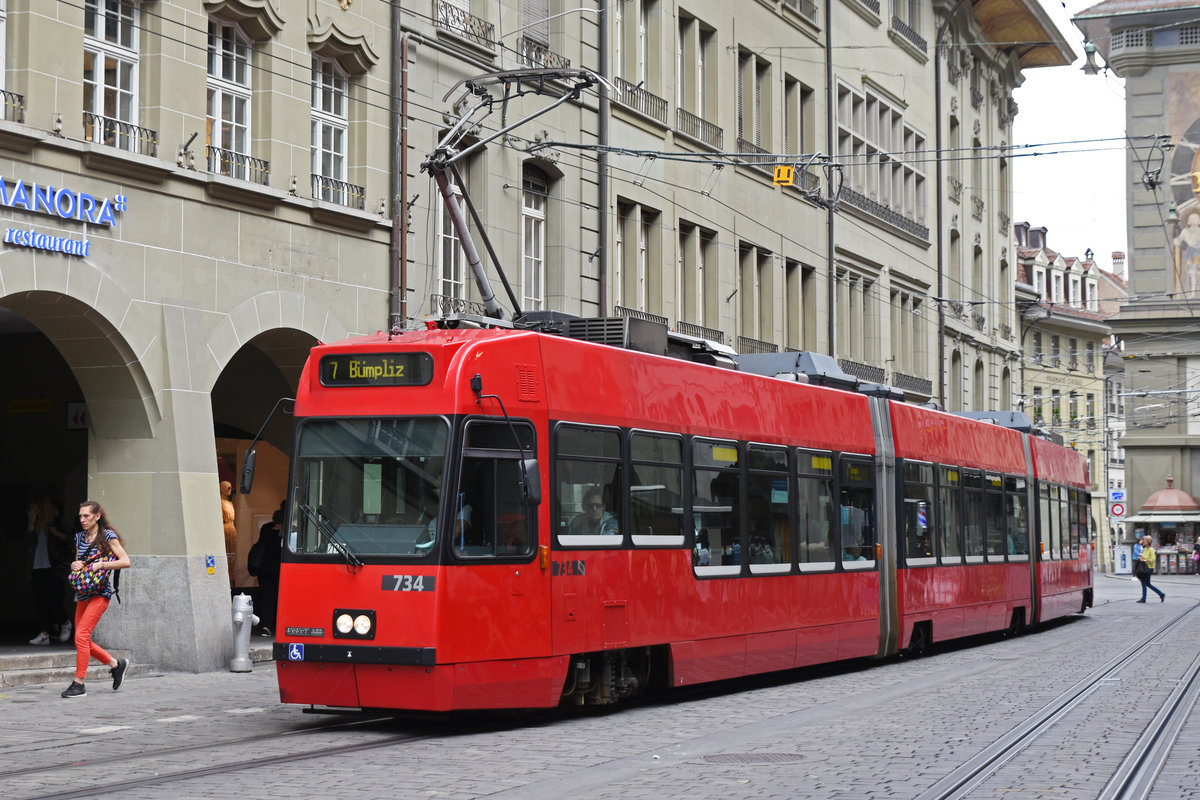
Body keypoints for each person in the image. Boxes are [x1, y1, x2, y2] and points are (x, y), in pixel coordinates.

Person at [62, 500, 132, 698]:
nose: (82, 519)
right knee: (81, 638)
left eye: (87, 516)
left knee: (81, 636)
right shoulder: (79, 537)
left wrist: (102, 565)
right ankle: (116, 665)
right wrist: (74, 565)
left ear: (97, 516)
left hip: (100, 594)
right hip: (83, 592)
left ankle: (79, 683)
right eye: (80, 516)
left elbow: (126, 561)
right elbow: (80, 563)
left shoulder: (108, 536)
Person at [27, 497, 73, 645]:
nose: (35, 511)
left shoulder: (57, 524)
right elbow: (29, 544)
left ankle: (65, 622)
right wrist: (31, 521)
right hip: (37, 567)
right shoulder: (36, 526)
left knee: (54, 600)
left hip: (54, 568)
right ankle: (44, 634)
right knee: (40, 601)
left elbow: (71, 540)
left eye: (38, 509)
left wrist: (56, 533)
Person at [253, 508, 284, 636]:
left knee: (267, 598)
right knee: (280, 599)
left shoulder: (266, 530)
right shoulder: (288, 534)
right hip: (281, 572)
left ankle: (266, 626)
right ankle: (280, 625)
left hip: (265, 571)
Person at [1135, 535, 1166, 604]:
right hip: (1144, 568)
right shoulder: (1144, 549)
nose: (1143, 541)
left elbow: (1153, 559)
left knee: (1143, 583)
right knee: (1148, 584)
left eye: (1144, 540)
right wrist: (1140, 558)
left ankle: (1143, 599)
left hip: (1148, 568)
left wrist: (1144, 560)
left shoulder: (1151, 550)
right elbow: (1143, 557)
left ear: (1148, 542)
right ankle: (1161, 594)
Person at [220, 480, 237, 587]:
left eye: (231, 487)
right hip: (225, 529)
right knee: (226, 554)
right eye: (227, 487)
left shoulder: (231, 503)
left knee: (232, 556)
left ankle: (232, 578)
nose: (230, 489)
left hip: (232, 529)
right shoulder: (220, 503)